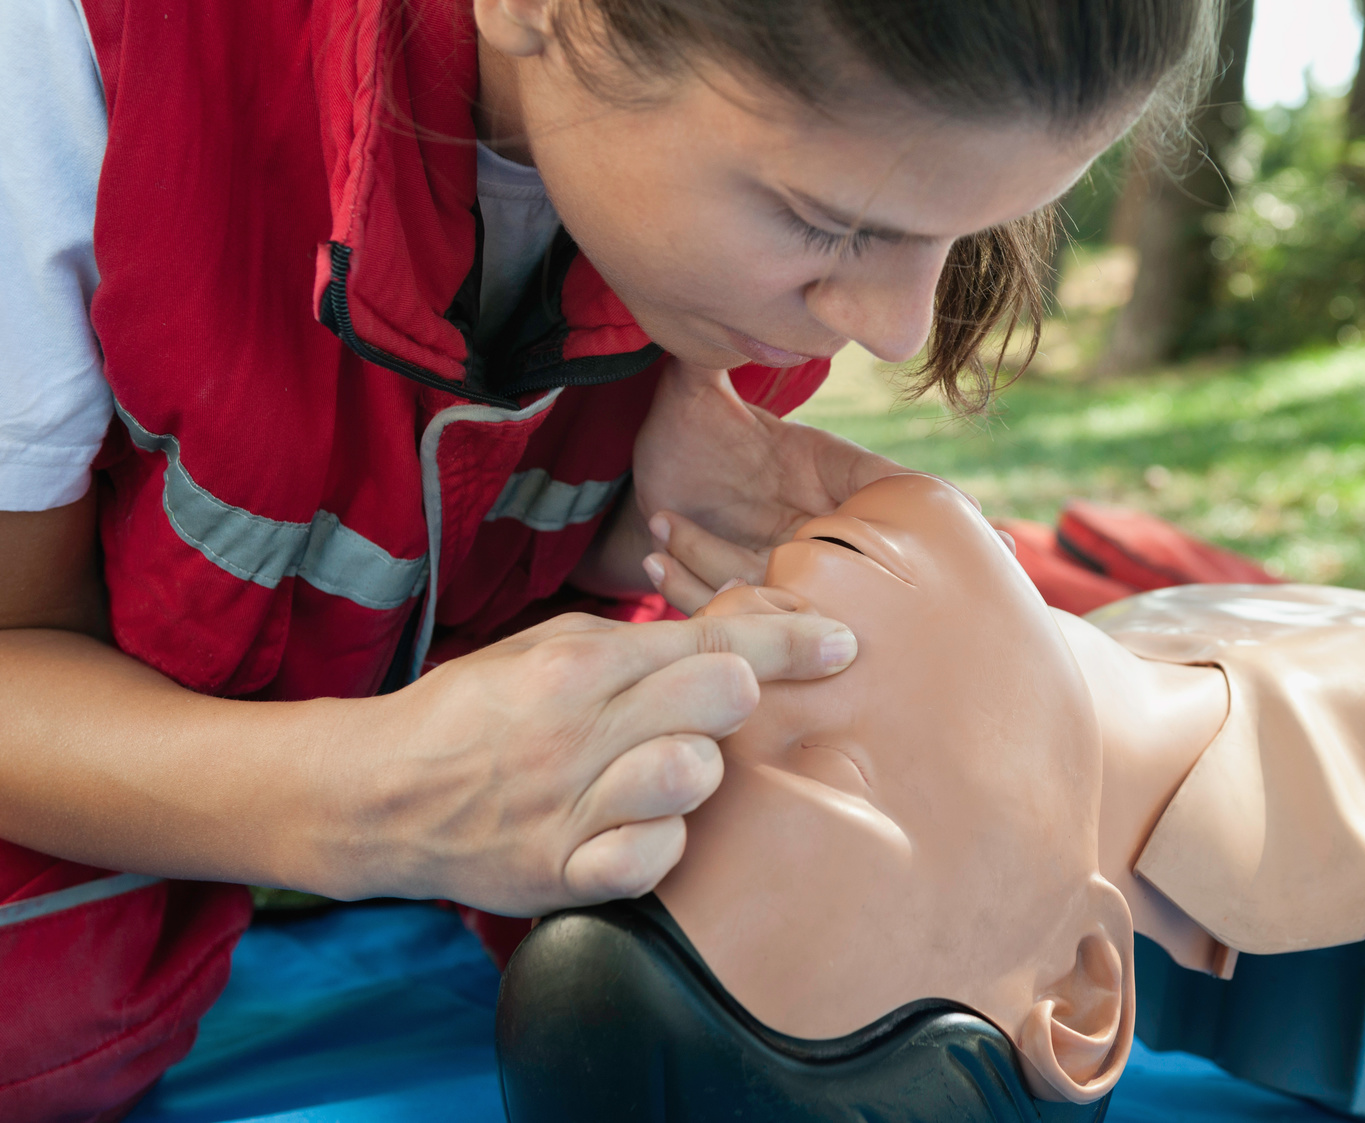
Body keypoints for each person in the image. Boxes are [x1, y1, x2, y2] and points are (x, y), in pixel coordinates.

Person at [0, 0, 1221, 1117]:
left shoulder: (758, 226)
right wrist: (356, 798)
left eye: (973, 229)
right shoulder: (66, 59)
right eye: (826, 223)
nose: (897, 326)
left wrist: (601, 528)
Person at [616, 473, 1365, 1106]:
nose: (759, 654)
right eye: (829, 768)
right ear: (1081, 987)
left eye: (715, 711)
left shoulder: (1077, 660)